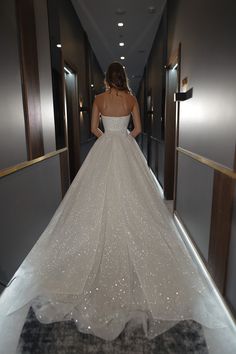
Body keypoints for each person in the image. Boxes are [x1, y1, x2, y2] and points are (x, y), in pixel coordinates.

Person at [0, 62, 229, 348]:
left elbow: (93, 127)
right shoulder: (132, 99)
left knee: (92, 200)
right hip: (125, 148)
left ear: (108, 79)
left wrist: (108, 138)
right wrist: (123, 139)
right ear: (123, 78)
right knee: (137, 201)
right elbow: (139, 130)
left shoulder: (98, 99)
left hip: (105, 149)